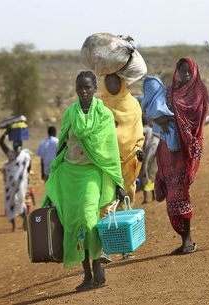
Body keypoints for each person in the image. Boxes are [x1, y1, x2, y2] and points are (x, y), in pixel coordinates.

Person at [42, 71, 125, 291]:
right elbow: (62, 144)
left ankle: (98, 267)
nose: (84, 91)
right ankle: (86, 275)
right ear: (76, 89)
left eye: (88, 87)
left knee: (89, 221)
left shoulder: (104, 114)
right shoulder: (70, 113)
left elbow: (110, 151)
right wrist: (55, 171)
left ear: (95, 88)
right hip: (70, 175)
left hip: (91, 174)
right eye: (80, 88)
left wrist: (118, 183)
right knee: (73, 225)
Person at [145, 58, 209, 255]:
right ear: (177, 72)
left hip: (185, 150)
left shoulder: (199, 93)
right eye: (182, 71)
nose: (186, 75)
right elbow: (153, 113)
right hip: (168, 151)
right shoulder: (169, 92)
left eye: (189, 71)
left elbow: (197, 121)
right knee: (172, 195)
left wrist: (171, 119)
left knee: (180, 193)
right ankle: (184, 239)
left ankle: (188, 238)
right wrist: (164, 119)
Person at [100, 72, 145, 261]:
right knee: (105, 204)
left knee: (125, 202)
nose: (112, 84)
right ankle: (105, 248)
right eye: (108, 81)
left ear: (122, 82)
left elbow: (137, 131)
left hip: (128, 161)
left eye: (115, 81)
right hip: (106, 162)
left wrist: (139, 148)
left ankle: (127, 248)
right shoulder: (100, 105)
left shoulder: (132, 104)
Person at [0, 131, 31, 232]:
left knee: (19, 202)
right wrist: (6, 132)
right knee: (10, 204)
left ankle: (25, 221)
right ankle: (14, 226)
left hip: (20, 185)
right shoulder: (14, 155)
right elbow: (1, 142)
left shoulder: (25, 156)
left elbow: (27, 168)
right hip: (11, 185)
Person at [138, 117, 159, 204]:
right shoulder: (152, 131)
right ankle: (152, 196)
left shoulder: (143, 131)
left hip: (147, 156)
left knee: (146, 176)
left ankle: (148, 197)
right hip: (150, 155)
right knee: (151, 175)